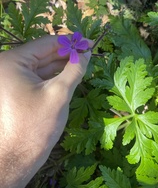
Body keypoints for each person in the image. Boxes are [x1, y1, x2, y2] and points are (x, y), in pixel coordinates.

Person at [0, 34, 92, 188]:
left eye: (75, 45)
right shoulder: (68, 52)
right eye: (73, 45)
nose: (73, 46)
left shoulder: (69, 50)